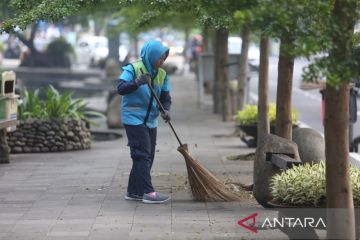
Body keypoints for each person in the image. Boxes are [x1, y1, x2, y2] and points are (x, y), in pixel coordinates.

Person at [117, 40, 171, 204]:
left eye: (164, 58)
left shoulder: (161, 74)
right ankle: (148, 192)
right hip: (133, 118)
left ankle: (133, 192)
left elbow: (165, 97)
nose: (161, 61)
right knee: (142, 155)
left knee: (148, 156)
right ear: (152, 55)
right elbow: (120, 88)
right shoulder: (133, 68)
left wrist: (166, 109)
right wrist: (137, 82)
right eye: (159, 58)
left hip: (150, 120)